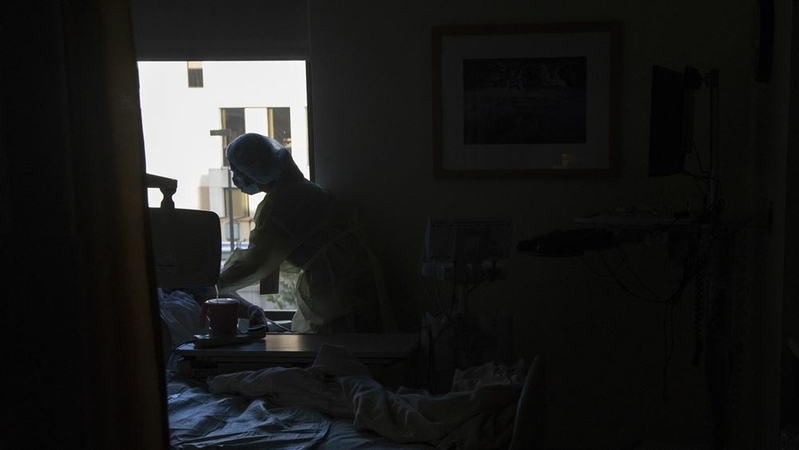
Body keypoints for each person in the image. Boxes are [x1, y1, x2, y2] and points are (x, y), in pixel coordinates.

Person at [217, 133, 395, 334]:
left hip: (338, 286)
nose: (235, 179)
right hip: (346, 279)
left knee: (343, 349)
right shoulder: (302, 190)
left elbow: (255, 261)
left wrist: (211, 282)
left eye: (237, 171)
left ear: (253, 169)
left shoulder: (283, 203)